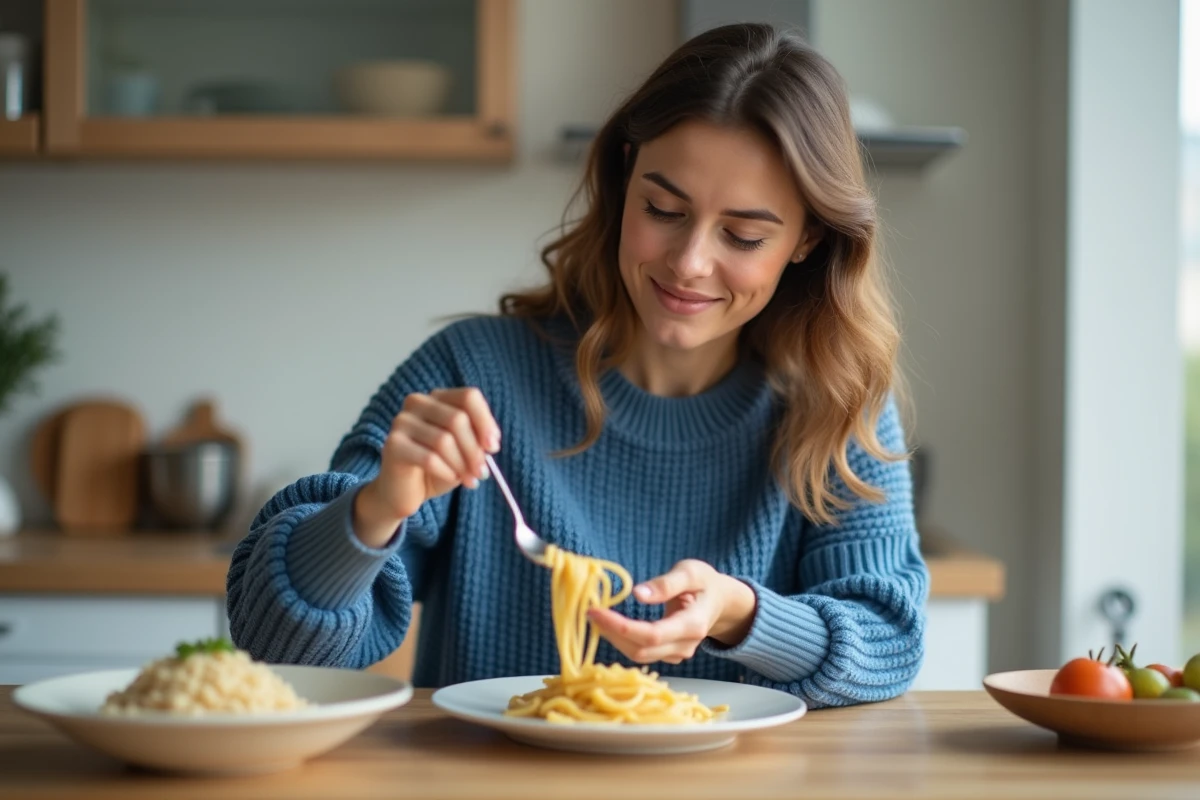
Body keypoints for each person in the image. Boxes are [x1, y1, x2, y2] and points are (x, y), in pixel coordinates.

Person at [227, 22, 929, 708]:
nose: (689, 264)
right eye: (663, 208)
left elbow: (888, 640)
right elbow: (276, 647)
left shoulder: (838, 404)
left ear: (806, 238)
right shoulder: (472, 372)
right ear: (623, 179)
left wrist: (740, 615)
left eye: (743, 235)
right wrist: (373, 508)